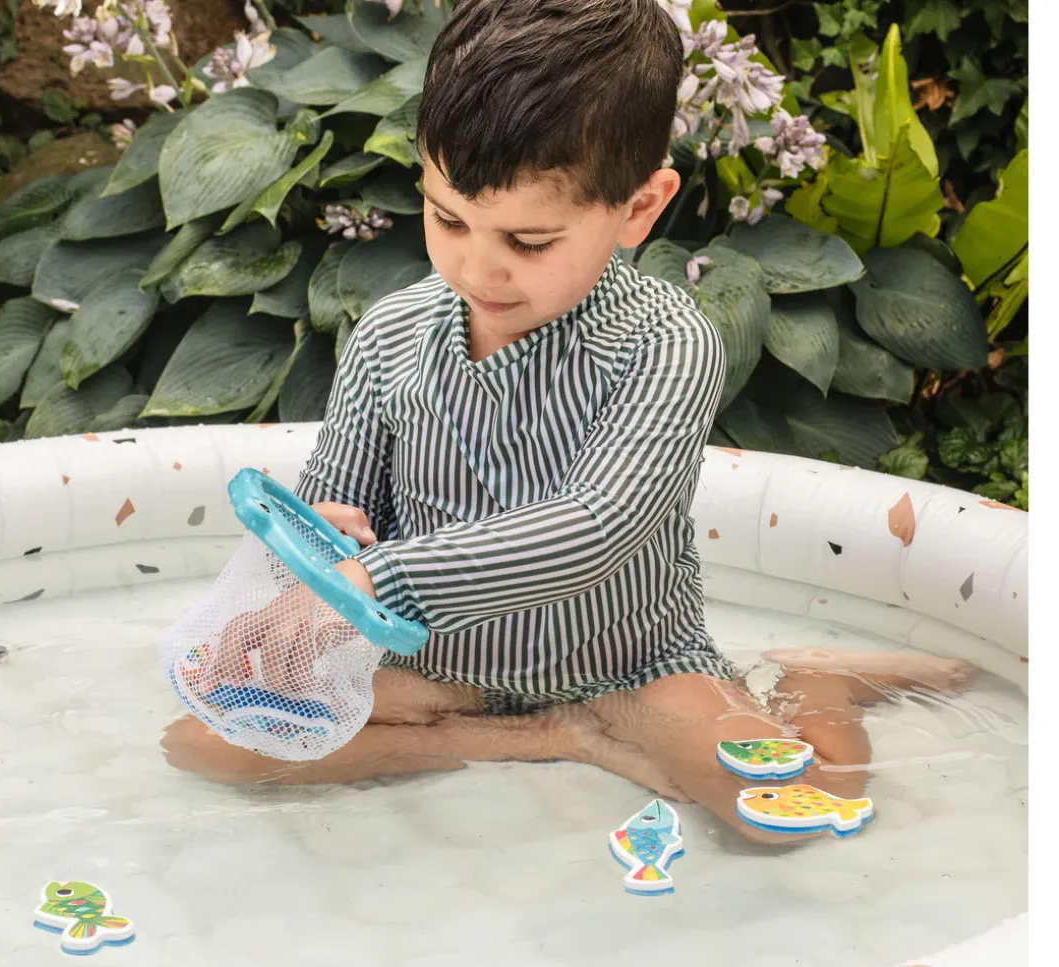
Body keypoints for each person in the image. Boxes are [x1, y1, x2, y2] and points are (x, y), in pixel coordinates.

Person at [162, 0, 975, 843]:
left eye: (528, 241)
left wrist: (380, 577)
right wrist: (315, 553)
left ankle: (821, 681)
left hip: (627, 669)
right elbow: (332, 520)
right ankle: (542, 736)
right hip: (438, 667)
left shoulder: (665, 343)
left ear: (639, 208)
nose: (478, 268)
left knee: (788, 815)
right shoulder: (390, 334)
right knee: (205, 742)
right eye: (448, 219)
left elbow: (595, 526)